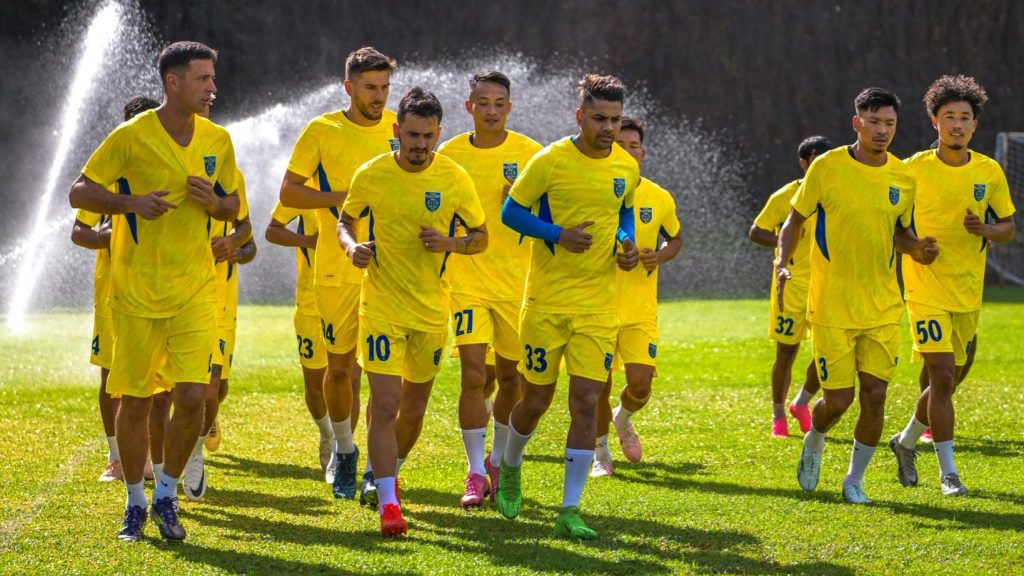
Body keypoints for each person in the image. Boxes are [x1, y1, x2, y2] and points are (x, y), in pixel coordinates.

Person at [69, 41, 240, 541]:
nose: (212, 88)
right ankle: (135, 502)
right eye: (203, 79)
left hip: (195, 292)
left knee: (193, 398)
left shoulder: (218, 140)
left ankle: (166, 494)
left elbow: (233, 208)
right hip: (137, 294)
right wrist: (129, 203)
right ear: (174, 82)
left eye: (213, 78)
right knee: (137, 401)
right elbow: (78, 191)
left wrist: (215, 202)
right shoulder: (130, 136)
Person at [494, 74, 640, 539]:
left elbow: (623, 210)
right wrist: (558, 235)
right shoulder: (550, 160)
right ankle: (510, 464)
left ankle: (570, 509)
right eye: (600, 118)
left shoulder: (626, 167)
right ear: (580, 116)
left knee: (586, 401)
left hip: (598, 306)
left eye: (616, 120)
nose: (609, 127)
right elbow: (510, 212)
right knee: (535, 399)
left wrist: (626, 241)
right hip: (546, 303)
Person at [776, 87, 938, 505]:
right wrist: (783, 260)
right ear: (857, 123)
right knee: (839, 400)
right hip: (832, 306)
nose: (882, 131)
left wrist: (917, 248)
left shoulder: (903, 177)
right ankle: (814, 437)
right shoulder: (828, 167)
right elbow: (795, 219)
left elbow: (901, 233)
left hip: (883, 305)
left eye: (890, 124)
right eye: (874, 122)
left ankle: (854, 481)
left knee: (876, 395)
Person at [339, 86, 487, 537]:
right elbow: (345, 221)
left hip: (430, 310)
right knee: (385, 402)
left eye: (428, 136)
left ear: (439, 133)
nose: (420, 145)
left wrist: (451, 244)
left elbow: (480, 237)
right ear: (396, 130)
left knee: (413, 410)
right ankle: (387, 501)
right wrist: (351, 248)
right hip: (381, 303)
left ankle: (387, 471)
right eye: (412, 136)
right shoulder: (373, 173)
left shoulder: (455, 178)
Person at [279, 46, 398, 500]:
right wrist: (348, 198)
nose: (379, 96)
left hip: (390, 274)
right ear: (348, 87)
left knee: (386, 379)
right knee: (342, 368)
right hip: (334, 269)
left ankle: (376, 465)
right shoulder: (322, 130)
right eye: (370, 87)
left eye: (385, 87)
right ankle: (344, 451)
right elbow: (289, 191)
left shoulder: (398, 130)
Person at [889, 75, 1016, 496]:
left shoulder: (988, 170)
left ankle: (905, 441)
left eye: (965, 117)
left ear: (975, 124)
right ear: (934, 122)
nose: (957, 125)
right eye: (949, 117)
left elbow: (1008, 228)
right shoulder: (911, 170)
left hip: (967, 291)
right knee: (941, 375)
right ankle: (949, 473)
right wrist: (913, 249)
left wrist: (986, 228)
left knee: (949, 378)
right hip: (924, 288)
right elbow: (892, 228)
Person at [435, 71, 542, 507]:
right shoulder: (450, 153)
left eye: (500, 103)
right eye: (483, 103)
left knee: (513, 380)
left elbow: (552, 211)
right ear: (469, 107)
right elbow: (433, 201)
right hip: (466, 282)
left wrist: (526, 200)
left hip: (517, 286)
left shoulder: (532, 155)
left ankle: (499, 459)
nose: (492, 110)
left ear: (509, 108)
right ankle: (475, 473)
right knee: (475, 376)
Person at [71, 95, 160, 483]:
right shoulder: (106, 174)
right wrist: (105, 236)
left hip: (161, 289)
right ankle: (117, 457)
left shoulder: (170, 168)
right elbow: (79, 231)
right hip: (113, 290)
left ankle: (156, 459)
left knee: (159, 381)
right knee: (111, 376)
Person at [592, 116, 682, 477]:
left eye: (633, 146)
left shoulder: (659, 197)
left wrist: (658, 255)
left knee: (641, 385)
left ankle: (623, 417)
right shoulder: (595, 190)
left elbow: (675, 238)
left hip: (640, 310)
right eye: (620, 144)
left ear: (642, 153)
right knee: (598, 384)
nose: (626, 151)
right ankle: (600, 455)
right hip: (597, 304)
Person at [182, 102, 257, 501]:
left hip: (218, 299)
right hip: (172, 292)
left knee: (214, 390)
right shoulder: (162, 167)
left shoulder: (229, 176)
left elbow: (248, 237)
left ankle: (194, 452)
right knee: (172, 391)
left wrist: (232, 245)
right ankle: (163, 463)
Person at [748, 136, 830, 438]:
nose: (820, 164)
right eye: (815, 159)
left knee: (829, 351)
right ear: (803, 162)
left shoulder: (834, 194)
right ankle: (778, 415)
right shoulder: (788, 195)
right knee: (786, 353)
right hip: (791, 284)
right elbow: (756, 230)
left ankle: (802, 402)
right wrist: (786, 247)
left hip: (825, 284)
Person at [265, 203, 334, 474]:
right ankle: (327, 433)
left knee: (345, 378)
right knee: (315, 388)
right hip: (309, 304)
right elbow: (272, 231)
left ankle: (342, 451)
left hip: (351, 301)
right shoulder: (303, 193)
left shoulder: (357, 185)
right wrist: (310, 241)